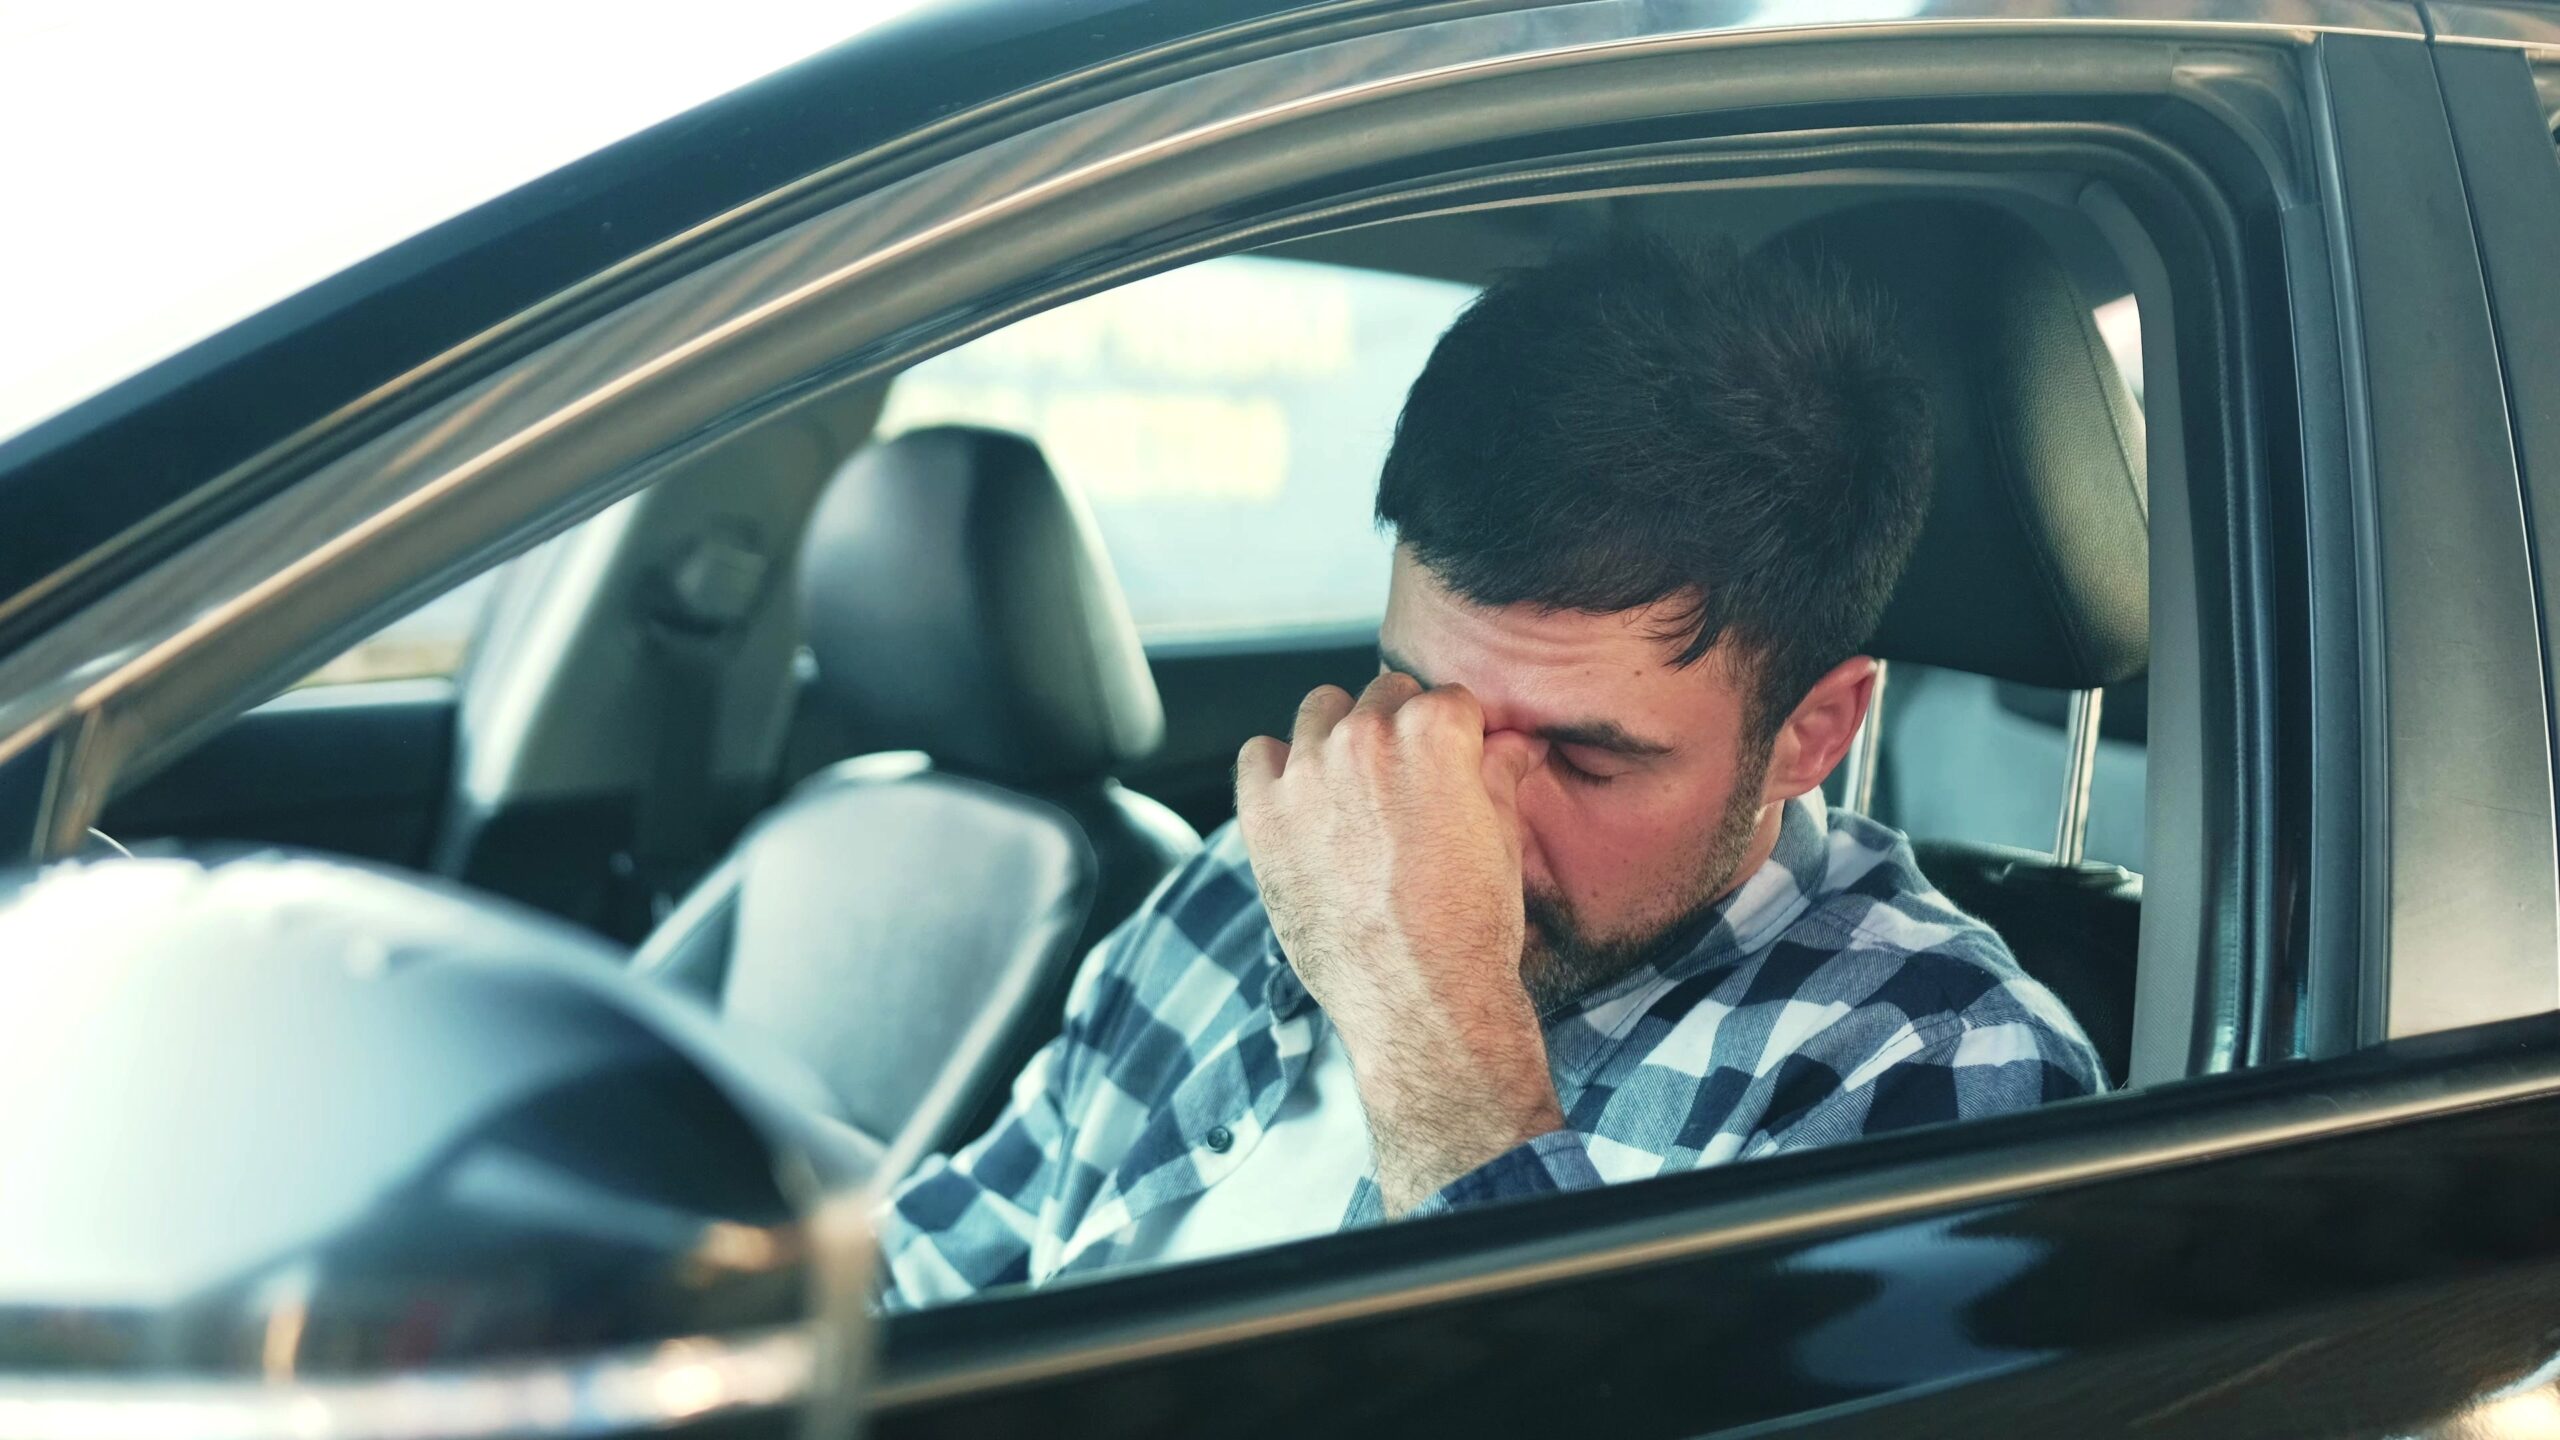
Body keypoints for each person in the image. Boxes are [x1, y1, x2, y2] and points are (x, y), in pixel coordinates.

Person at [877, 234, 2104, 1307]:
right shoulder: (1257, 872)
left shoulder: (1934, 1065)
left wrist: (1434, 1029)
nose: (1456, 814)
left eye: (1582, 755)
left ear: (1811, 733)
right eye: (1422, 704)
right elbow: (931, 1274)